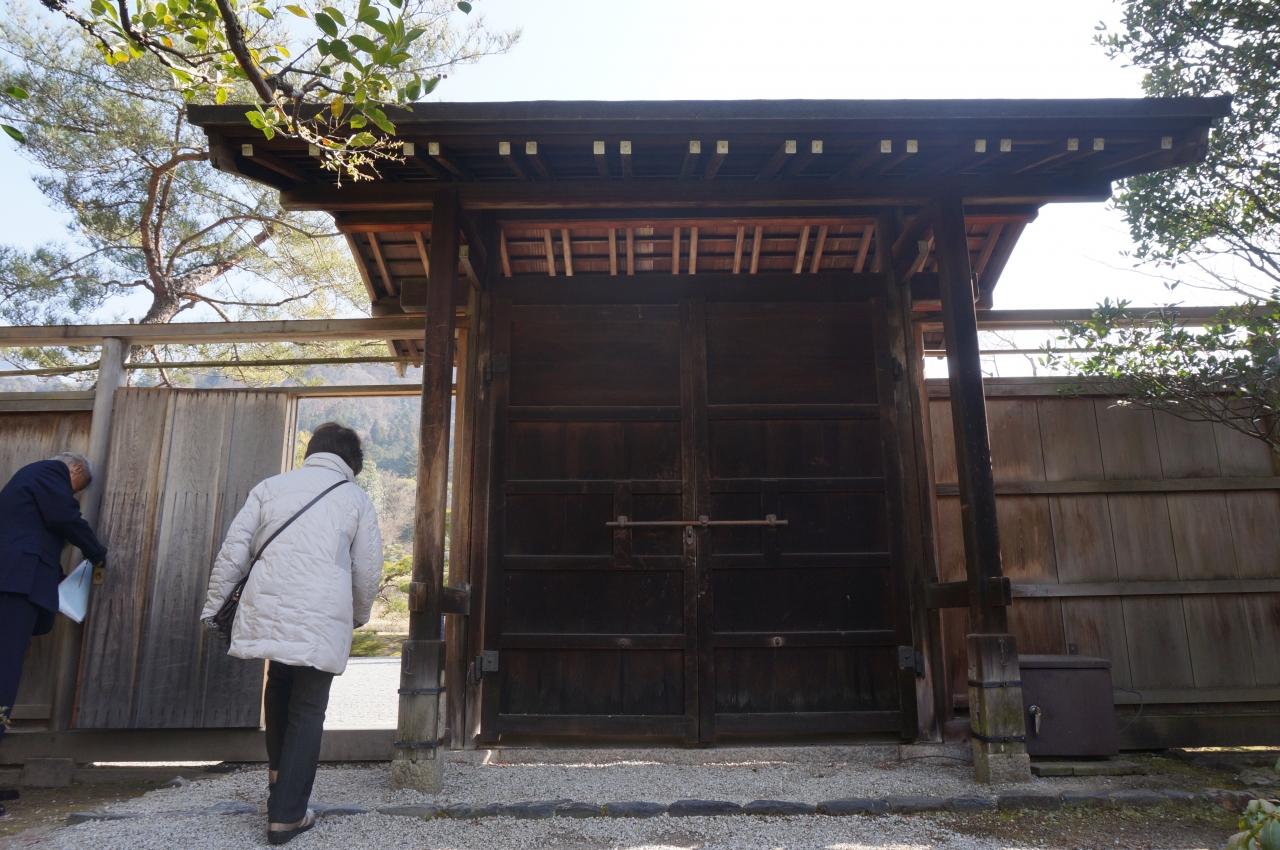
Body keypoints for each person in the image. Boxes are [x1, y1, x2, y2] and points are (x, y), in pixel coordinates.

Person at [201, 423, 382, 846]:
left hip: (269, 604)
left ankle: (278, 788)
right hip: (322, 612)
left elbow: (234, 551)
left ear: (312, 451)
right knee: (309, 708)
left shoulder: (270, 487)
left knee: (279, 684)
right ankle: (287, 816)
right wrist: (357, 615)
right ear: (352, 461)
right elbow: (367, 569)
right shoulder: (355, 498)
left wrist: (214, 608)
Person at [0, 452, 107, 818]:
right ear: (74, 470)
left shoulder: (28, 485)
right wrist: (97, 552)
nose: (73, 496)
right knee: (3, 677)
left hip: (14, 583)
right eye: (77, 489)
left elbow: (41, 533)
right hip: (12, 586)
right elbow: (64, 517)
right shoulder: (49, 471)